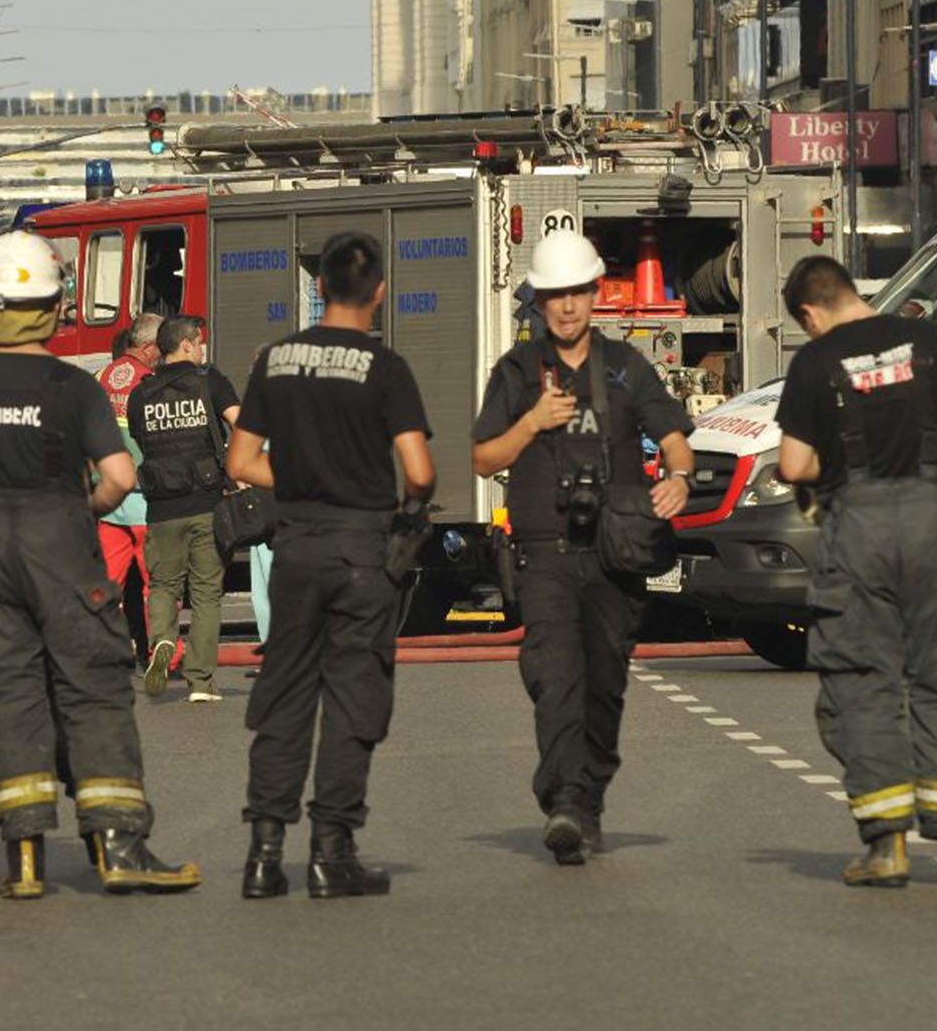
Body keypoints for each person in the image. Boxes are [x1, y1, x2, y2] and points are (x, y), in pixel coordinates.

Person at [0, 231, 198, 899]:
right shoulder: (72, 385)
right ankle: (120, 844)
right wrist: (81, 504)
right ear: (53, 306)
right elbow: (120, 476)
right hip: (59, 538)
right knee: (90, 686)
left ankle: (22, 855)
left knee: (5, 692)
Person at [773, 255, 937, 888]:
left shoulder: (816, 362)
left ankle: (888, 848)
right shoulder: (933, 342)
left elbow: (794, 465)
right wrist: (933, 470)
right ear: (853, 292)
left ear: (809, 313)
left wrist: (850, 470)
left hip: (861, 532)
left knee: (863, 682)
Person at [470, 231, 695, 866]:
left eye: (576, 293)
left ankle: (589, 796)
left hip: (615, 554)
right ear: (538, 302)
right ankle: (564, 801)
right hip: (544, 553)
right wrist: (532, 422)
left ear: (596, 294)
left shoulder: (626, 366)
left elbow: (674, 436)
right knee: (555, 676)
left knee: (605, 683)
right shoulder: (517, 373)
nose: (567, 307)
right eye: (554, 296)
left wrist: (677, 477)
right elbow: (484, 456)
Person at [226, 232, 433, 900]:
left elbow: (239, 462)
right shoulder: (385, 367)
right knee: (352, 697)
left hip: (296, 549)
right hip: (361, 551)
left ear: (318, 287)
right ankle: (331, 850)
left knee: (284, 695)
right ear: (378, 291)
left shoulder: (277, 360)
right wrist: (400, 506)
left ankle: (263, 853)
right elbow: (421, 471)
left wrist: (297, 485)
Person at [128, 315, 240, 702]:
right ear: (188, 345)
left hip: (161, 507)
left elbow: (141, 440)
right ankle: (201, 682)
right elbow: (239, 423)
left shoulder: (141, 393)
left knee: (162, 585)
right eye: (199, 341)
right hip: (207, 501)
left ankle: (161, 642)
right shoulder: (210, 381)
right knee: (207, 593)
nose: (202, 347)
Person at [96, 312, 165, 666]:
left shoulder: (102, 376)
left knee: (107, 582)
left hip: (108, 499)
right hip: (143, 498)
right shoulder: (151, 382)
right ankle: (162, 653)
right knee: (158, 583)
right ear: (150, 348)